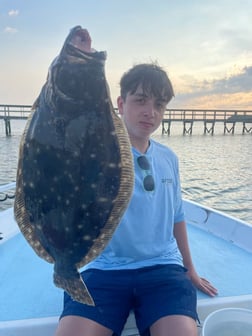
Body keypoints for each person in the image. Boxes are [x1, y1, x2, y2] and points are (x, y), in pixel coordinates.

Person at [55, 63, 217, 336]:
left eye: (159, 104)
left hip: (163, 269)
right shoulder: (95, 154)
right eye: (140, 100)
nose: (150, 112)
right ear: (120, 103)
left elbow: (177, 217)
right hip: (103, 269)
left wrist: (190, 269)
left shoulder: (169, 158)